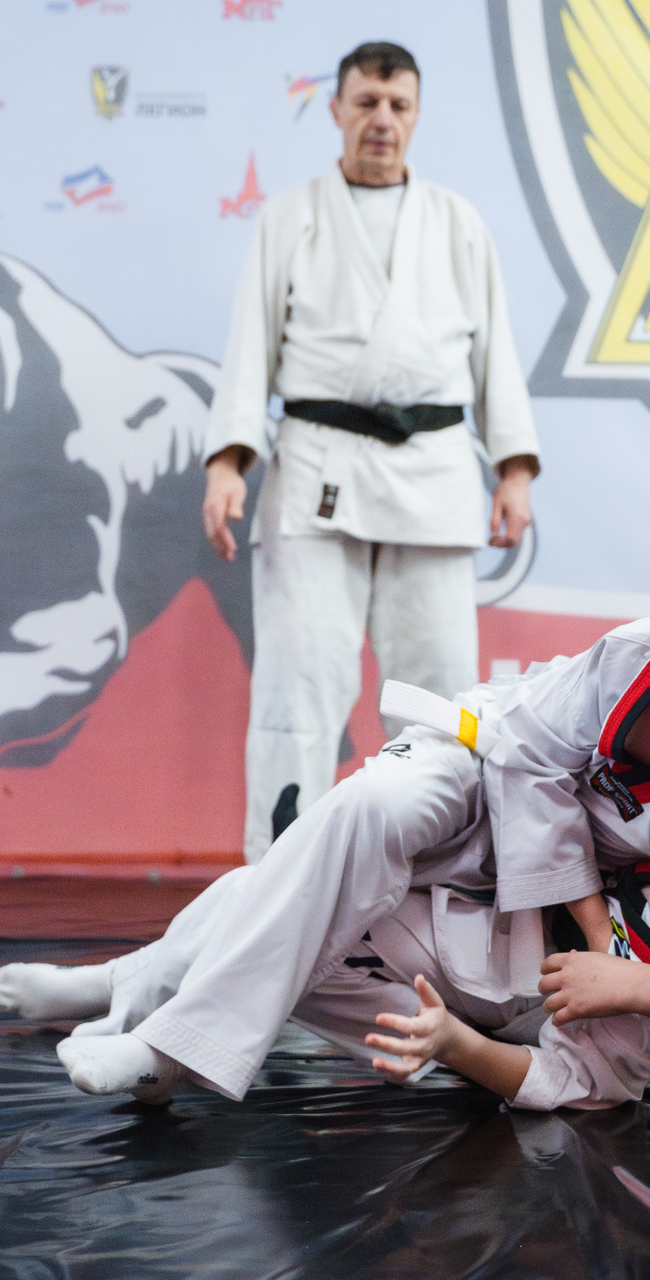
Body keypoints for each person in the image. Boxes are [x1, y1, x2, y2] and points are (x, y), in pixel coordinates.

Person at [0, 532, 650, 1103]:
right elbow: (531, 759)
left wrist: (634, 983)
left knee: (322, 907)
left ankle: (138, 994)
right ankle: (155, 1016)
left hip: (585, 918)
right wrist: (592, 928)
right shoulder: (640, 652)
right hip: (504, 792)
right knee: (366, 810)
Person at [200, 40, 542, 863]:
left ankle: (440, 869)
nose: (382, 119)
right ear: (337, 110)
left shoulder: (457, 222)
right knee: (299, 684)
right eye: (366, 103)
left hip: (433, 472)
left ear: (416, 115)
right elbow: (250, 344)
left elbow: (495, 352)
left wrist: (513, 468)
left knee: (440, 691)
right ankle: (278, 869)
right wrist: (227, 462)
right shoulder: (290, 215)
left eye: (398, 105)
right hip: (318, 466)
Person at [0, 860, 650, 1110]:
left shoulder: (648, 1032)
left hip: (414, 993)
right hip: (414, 909)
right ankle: (116, 988)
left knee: (279, 937)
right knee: (259, 888)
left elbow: (561, 1083)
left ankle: (162, 1053)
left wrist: (456, 1046)